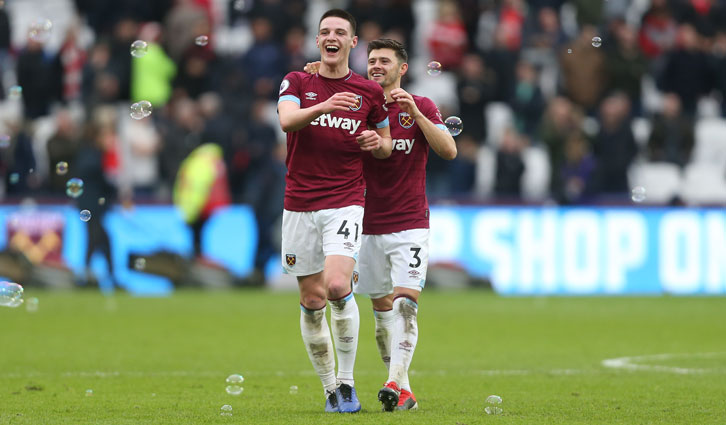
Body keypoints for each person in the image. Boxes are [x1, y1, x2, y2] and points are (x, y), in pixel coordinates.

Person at [307, 38, 457, 411]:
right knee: (381, 315)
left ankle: (392, 382)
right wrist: (315, 79)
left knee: (406, 306)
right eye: (371, 60)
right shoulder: (360, 104)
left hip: (410, 225)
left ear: (401, 68)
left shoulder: (420, 106)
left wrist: (418, 117)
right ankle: (403, 390)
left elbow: (450, 150)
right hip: (365, 225)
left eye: (384, 61)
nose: (375, 66)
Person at [276, 9, 392, 414]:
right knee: (311, 300)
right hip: (298, 204)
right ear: (317, 40)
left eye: (340, 32)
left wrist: (374, 143)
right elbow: (288, 121)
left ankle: (346, 383)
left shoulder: (368, 92)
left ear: (352, 42)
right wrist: (324, 106)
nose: (331, 36)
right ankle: (329, 389)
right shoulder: (297, 81)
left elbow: (386, 142)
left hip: (344, 200)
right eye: (325, 31)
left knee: (339, 286)